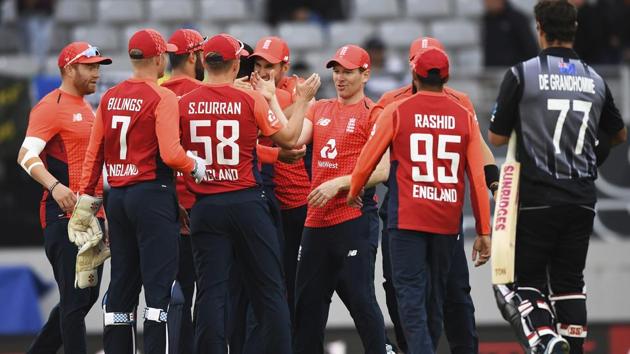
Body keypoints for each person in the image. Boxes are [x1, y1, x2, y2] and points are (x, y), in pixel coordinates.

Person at [488, 1, 627, 353]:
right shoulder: (594, 79)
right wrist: (591, 158)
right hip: (581, 197)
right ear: (575, 28)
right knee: (569, 283)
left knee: (526, 282)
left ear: (539, 28)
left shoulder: (522, 73)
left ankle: (547, 342)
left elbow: (497, 137)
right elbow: (618, 133)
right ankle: (573, 349)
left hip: (537, 197)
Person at [177, 33, 320, 354]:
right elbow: (289, 138)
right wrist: (303, 101)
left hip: (205, 204)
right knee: (271, 289)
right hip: (245, 200)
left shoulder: (183, 102)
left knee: (212, 293)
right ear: (236, 63)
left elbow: (171, 153)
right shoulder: (250, 99)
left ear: (202, 61)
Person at [348, 46, 492, 354]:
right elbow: (478, 179)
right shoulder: (464, 116)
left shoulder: (397, 110)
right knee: (435, 298)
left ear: (414, 75)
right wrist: (484, 230)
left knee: (409, 295)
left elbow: (367, 159)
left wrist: (354, 190)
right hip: (446, 221)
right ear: (447, 77)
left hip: (408, 217)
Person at [72, 28, 206, 354]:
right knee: (159, 290)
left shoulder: (110, 96)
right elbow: (172, 154)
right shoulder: (163, 96)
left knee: (122, 288)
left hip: (117, 197)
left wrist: (85, 201)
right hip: (152, 194)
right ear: (160, 58)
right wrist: (195, 166)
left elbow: (94, 153)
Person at [291, 44, 389, 354]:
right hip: (316, 221)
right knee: (306, 307)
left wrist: (342, 184)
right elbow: (292, 139)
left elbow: (383, 169)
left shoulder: (373, 114)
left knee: (361, 300)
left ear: (365, 74)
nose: (340, 77)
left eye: (347, 71)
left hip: (353, 219)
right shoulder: (319, 108)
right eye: (336, 71)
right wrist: (292, 100)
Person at [17, 41, 112, 354]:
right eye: (90, 66)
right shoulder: (51, 105)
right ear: (70, 68)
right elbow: (25, 155)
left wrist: (103, 216)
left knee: (86, 297)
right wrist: (55, 187)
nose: (97, 73)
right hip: (64, 218)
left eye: (99, 66)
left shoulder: (85, 107)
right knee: (75, 299)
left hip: (89, 216)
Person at [249, 35, 312, 321]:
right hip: (270, 202)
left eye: (270, 66)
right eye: (258, 64)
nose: (262, 72)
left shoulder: (288, 92)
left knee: (301, 285)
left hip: (299, 202)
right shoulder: (279, 94)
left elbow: (291, 139)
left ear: (285, 67)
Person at [161, 27, 207, 354]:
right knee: (207, 290)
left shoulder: (155, 91)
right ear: (193, 56)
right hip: (199, 202)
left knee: (169, 290)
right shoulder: (203, 93)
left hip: (161, 204)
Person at [483, 0, 538, 67]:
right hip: (492, 72)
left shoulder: (517, 19)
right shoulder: (487, 20)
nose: (487, 3)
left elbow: (531, 50)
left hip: (513, 72)